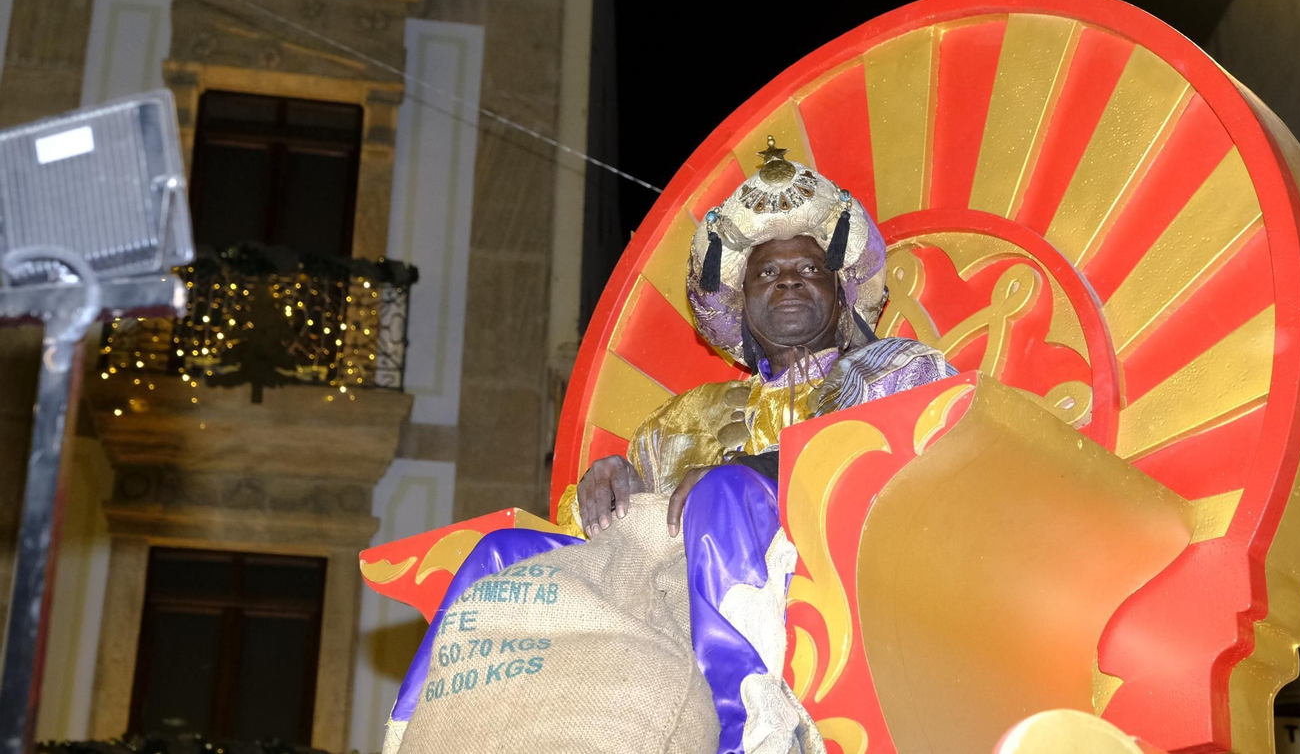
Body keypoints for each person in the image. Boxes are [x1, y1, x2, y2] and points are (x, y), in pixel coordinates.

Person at [390, 138, 954, 754]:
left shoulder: (897, 369)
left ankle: (752, 728)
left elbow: (921, 468)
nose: (789, 281)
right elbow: (609, 550)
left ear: (842, 295)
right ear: (739, 306)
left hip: (848, 587)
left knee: (726, 489)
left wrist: (756, 471)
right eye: (766, 272)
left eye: (810, 269)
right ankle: (412, 734)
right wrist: (606, 489)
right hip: (666, 611)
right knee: (501, 557)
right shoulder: (688, 419)